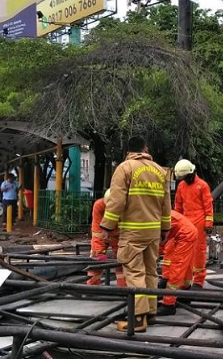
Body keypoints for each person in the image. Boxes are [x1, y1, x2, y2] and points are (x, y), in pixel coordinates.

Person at [100, 136, 171, 333]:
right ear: (145, 148)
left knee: (134, 272)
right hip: (153, 231)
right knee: (150, 271)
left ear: (128, 151)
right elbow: (166, 204)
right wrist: (165, 228)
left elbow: (116, 201)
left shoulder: (125, 168)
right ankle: (150, 312)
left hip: (133, 230)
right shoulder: (159, 170)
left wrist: (106, 227)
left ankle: (138, 319)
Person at [173, 159, 213, 289]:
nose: (183, 179)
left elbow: (208, 205)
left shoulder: (202, 185)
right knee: (185, 252)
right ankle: (185, 280)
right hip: (185, 221)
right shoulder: (181, 186)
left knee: (199, 252)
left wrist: (208, 223)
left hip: (199, 221)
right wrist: (176, 223)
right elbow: (178, 206)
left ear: (191, 173)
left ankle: (198, 280)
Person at [157, 209, 198, 316]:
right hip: (183, 233)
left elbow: (160, 238)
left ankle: (168, 305)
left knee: (177, 267)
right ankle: (184, 295)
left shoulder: (155, 215)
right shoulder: (156, 211)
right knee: (184, 267)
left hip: (185, 235)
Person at [87, 189, 126, 287]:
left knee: (122, 261)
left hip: (118, 235)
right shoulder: (99, 205)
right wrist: (99, 251)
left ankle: (124, 289)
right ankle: (92, 287)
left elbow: (125, 228)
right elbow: (97, 231)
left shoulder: (125, 208)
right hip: (103, 234)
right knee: (96, 259)